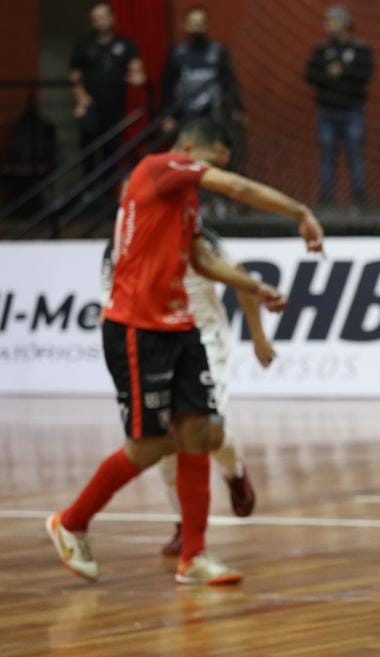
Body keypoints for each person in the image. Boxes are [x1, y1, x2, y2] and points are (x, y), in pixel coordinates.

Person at [46, 118, 323, 586]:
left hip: (181, 326)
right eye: (209, 163)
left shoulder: (185, 200)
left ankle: (194, 555)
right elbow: (235, 186)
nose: (209, 175)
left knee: (199, 431)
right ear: (190, 147)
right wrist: (300, 212)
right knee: (152, 445)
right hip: (137, 327)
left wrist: (253, 287)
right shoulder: (161, 166)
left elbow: (202, 260)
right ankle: (71, 522)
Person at [148, 231, 277, 556]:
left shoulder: (195, 233)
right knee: (164, 440)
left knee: (203, 429)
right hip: (158, 343)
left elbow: (242, 278)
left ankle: (234, 472)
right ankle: (183, 525)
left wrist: (258, 337)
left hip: (206, 341)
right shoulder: (124, 241)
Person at [306, 4, 375, 209]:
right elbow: (310, 75)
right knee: (327, 157)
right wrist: (328, 75)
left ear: (345, 24)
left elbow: (366, 74)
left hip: (352, 110)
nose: (329, 26)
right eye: (327, 22)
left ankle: (359, 200)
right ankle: (326, 200)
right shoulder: (321, 50)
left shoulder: (360, 49)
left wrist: (343, 72)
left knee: (355, 155)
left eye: (333, 21)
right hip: (326, 111)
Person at [69, 2, 146, 184]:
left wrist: (137, 76)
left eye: (103, 17)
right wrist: (81, 97)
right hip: (91, 105)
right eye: (96, 18)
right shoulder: (83, 44)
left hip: (114, 106)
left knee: (111, 150)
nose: (100, 21)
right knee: (88, 145)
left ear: (112, 18)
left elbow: (137, 70)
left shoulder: (125, 44)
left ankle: (107, 193)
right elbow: (74, 74)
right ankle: (88, 189)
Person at [161, 5, 242, 134]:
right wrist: (167, 116)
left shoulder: (218, 52)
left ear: (206, 25)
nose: (196, 27)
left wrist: (237, 109)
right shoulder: (177, 54)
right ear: (185, 25)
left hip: (214, 115)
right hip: (186, 115)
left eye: (200, 23)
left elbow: (229, 81)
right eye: (193, 23)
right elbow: (166, 86)